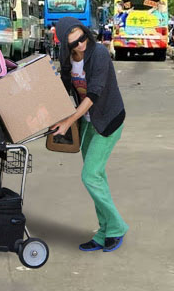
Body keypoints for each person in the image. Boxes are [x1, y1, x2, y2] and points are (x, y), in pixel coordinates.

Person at [50, 17, 128, 253]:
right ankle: (104, 231)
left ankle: (116, 226)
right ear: (66, 45)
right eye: (74, 43)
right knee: (98, 178)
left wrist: (67, 122)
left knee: (90, 176)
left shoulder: (100, 55)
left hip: (108, 120)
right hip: (86, 123)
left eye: (82, 38)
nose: (80, 45)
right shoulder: (67, 59)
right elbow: (63, 91)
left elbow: (93, 94)